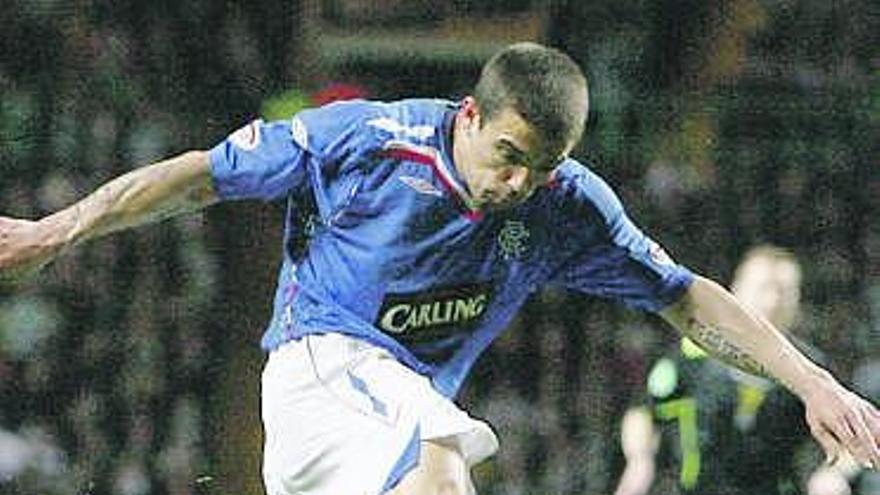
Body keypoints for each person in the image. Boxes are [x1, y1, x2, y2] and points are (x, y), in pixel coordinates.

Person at [0, 42, 877, 495]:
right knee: (442, 467)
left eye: (543, 165)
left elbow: (685, 296)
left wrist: (812, 382)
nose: (519, 183)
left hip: (368, 419)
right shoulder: (366, 141)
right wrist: (54, 231)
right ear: (468, 116)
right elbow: (200, 175)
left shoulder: (565, 203)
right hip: (320, 366)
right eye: (507, 155)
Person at [613, 246, 858, 495]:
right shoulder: (690, 353)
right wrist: (639, 461)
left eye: (784, 291)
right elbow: (642, 412)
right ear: (735, 291)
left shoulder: (812, 372)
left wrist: (834, 474)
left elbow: (855, 436)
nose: (773, 301)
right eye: (764, 288)